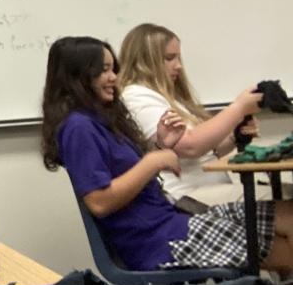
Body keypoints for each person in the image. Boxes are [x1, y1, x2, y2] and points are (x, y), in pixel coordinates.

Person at [41, 36, 293, 272]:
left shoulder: (99, 121)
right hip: (160, 241)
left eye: (113, 69)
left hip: (172, 221)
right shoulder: (78, 127)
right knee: (285, 252)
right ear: (78, 76)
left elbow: (131, 174)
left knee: (288, 215)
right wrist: (153, 161)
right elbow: (99, 202)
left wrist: (162, 147)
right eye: (104, 70)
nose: (114, 78)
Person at [118, 23, 260, 207]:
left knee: (284, 195)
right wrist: (238, 108)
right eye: (169, 58)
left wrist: (235, 136)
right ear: (145, 61)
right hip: (185, 198)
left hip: (205, 193)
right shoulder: (136, 97)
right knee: (282, 203)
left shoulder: (171, 99)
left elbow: (209, 152)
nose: (179, 66)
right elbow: (190, 147)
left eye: (178, 58)